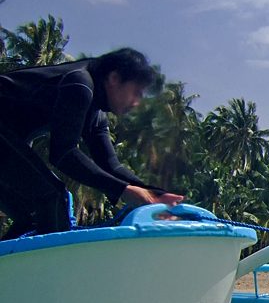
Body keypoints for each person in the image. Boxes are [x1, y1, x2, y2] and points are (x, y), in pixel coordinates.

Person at [0, 48, 182, 239]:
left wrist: (155, 195)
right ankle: (54, 265)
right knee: (52, 198)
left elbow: (111, 165)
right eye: (136, 92)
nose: (136, 102)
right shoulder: (79, 84)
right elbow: (63, 154)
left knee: (35, 216)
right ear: (114, 78)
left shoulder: (96, 114)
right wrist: (124, 191)